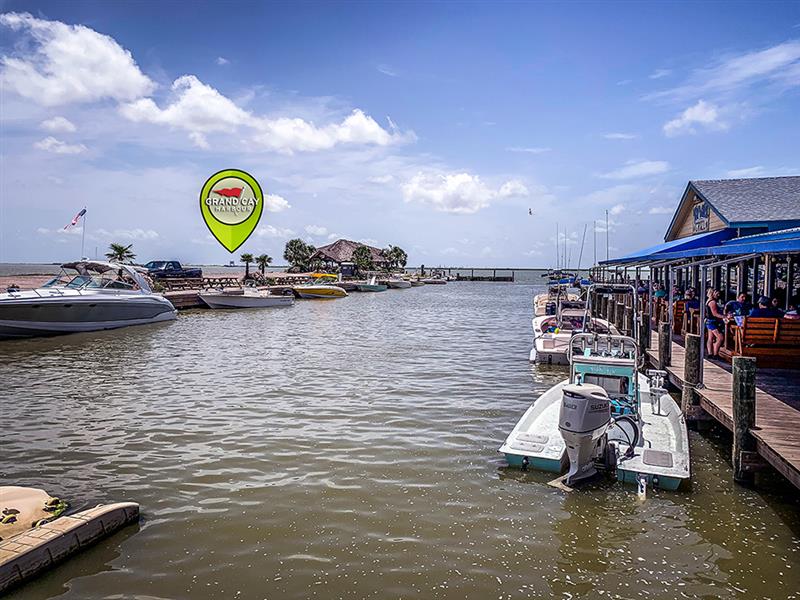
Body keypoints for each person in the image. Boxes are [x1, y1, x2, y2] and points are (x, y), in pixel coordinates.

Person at [705, 288, 725, 358]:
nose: (718, 295)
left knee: (710, 338)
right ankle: (715, 354)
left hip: (709, 320)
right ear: (713, 293)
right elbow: (715, 314)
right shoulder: (712, 302)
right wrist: (724, 316)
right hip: (712, 321)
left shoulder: (708, 301)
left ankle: (710, 353)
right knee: (720, 337)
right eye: (717, 293)